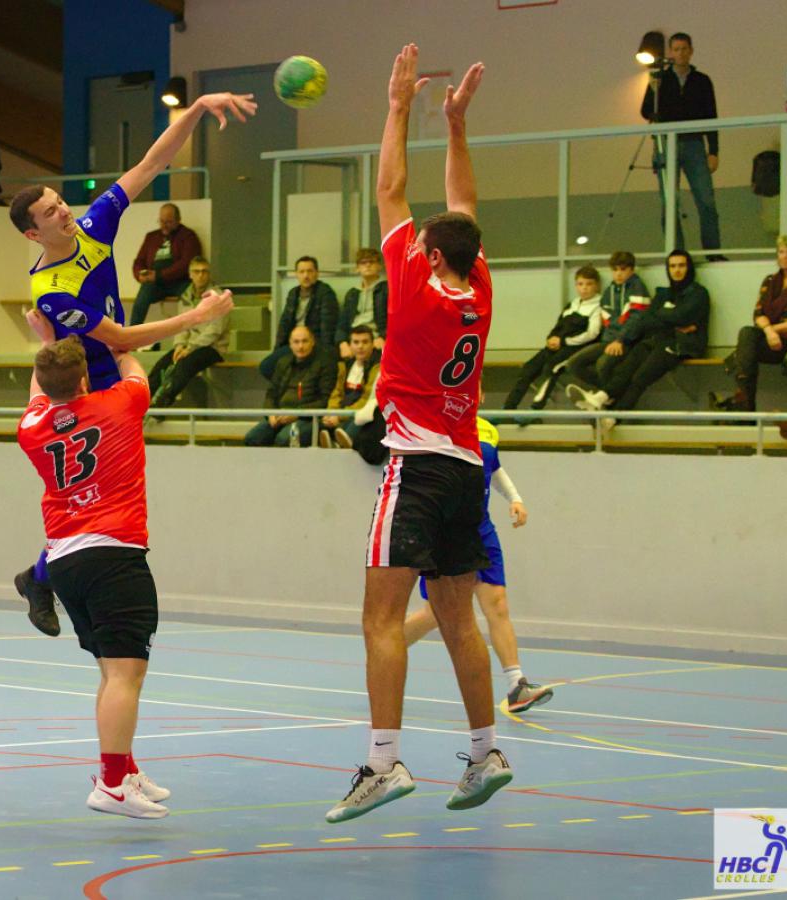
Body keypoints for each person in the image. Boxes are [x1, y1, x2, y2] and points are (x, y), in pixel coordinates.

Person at [326, 46, 510, 825]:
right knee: (459, 618)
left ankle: (382, 763)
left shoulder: (415, 286)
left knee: (379, 619)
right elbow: (461, 201)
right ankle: (485, 752)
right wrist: (457, 125)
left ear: (431, 256)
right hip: (466, 468)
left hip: (416, 467)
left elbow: (390, 189)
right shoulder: (479, 289)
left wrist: (399, 106)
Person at [6, 89, 250, 637]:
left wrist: (196, 109)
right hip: (88, 391)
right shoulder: (52, 290)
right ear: (33, 233)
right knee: (91, 501)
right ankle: (43, 577)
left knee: (98, 501)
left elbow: (151, 164)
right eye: (50, 212)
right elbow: (119, 338)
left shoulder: (94, 228)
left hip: (114, 375)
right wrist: (195, 317)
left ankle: (39, 576)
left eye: (60, 202)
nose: (64, 211)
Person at [16, 314, 171, 819]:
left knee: (110, 670)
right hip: (114, 555)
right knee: (126, 674)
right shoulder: (119, 404)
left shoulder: (32, 428)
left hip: (65, 561)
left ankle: (124, 769)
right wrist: (117, 341)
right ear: (85, 380)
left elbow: (39, 393)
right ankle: (111, 784)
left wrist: (48, 343)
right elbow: (135, 366)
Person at [404, 414, 555, 714]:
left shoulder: (487, 429)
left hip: (481, 529)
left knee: (497, 604)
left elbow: (494, 467)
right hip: (445, 530)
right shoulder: (437, 423)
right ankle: (386, 649)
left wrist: (515, 498)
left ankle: (517, 685)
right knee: (436, 613)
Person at [573, 249, 710, 427]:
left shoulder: (698, 293)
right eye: (672, 266)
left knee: (641, 376)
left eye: (681, 265)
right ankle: (601, 397)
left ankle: (613, 417)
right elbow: (647, 319)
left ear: (689, 267)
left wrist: (664, 316)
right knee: (627, 366)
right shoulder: (663, 293)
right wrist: (671, 319)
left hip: (681, 344)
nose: (677, 270)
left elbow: (679, 316)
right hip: (656, 340)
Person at [641, 32, 722, 257]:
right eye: (676, 49)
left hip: (694, 143)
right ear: (670, 52)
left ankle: (713, 251)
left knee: (706, 199)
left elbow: (711, 116)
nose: (680, 53)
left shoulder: (702, 80)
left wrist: (713, 151)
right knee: (669, 202)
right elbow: (646, 111)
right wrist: (653, 90)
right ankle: (676, 252)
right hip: (667, 143)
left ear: (691, 51)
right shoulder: (660, 78)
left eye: (684, 49)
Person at [710, 234, 787, 411]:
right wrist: (769, 332)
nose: (785, 256)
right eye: (781, 252)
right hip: (770, 340)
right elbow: (758, 314)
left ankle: (742, 404)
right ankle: (746, 402)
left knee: (745, 348)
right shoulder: (770, 281)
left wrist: (773, 330)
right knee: (747, 333)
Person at [501, 265, 603, 410]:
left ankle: (535, 409)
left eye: (589, 284)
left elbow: (592, 333)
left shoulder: (598, 306)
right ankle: (508, 408)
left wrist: (564, 341)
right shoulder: (573, 304)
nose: (584, 288)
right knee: (529, 369)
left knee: (552, 368)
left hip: (575, 347)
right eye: (580, 284)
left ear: (596, 286)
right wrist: (551, 338)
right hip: (556, 345)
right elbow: (559, 325)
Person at [563, 251, 651, 401]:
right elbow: (606, 318)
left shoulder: (638, 288)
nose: (618, 274)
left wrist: (620, 340)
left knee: (603, 365)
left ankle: (606, 398)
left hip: (630, 342)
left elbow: (638, 319)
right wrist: (611, 340)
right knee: (573, 364)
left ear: (632, 269)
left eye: (623, 269)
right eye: (615, 270)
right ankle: (608, 395)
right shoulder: (610, 290)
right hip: (608, 340)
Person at [146, 257, 229, 409]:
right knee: (162, 364)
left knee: (184, 365)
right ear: (190, 274)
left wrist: (190, 348)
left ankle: (161, 405)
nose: (200, 275)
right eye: (196, 272)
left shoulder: (219, 297)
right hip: (188, 347)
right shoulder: (185, 296)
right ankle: (143, 401)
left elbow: (215, 331)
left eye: (204, 271)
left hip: (212, 348)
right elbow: (182, 325)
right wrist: (179, 345)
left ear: (209, 274)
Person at [245, 325, 334, 447]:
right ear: (290, 344)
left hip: (308, 418)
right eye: (296, 342)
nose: (300, 346)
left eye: (305, 341)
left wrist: (296, 414)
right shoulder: (283, 362)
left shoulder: (325, 364)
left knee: (283, 439)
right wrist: (270, 414)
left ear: (313, 342)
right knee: (252, 438)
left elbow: (324, 400)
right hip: (280, 416)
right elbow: (271, 394)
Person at [260, 256, 339, 380]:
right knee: (266, 367)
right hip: (294, 344)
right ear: (296, 274)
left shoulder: (325, 293)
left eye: (309, 271)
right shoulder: (293, 294)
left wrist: (326, 356)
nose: (306, 275)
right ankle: (292, 387)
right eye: (302, 272)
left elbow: (328, 328)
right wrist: (277, 350)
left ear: (317, 273)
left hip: (314, 344)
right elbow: (284, 324)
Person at [129, 204, 204, 328]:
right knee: (142, 297)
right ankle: (133, 332)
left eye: (168, 222)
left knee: (190, 296)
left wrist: (159, 275)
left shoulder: (188, 236)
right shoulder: (151, 237)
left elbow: (187, 264)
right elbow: (139, 261)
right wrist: (140, 274)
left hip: (180, 281)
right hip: (155, 283)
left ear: (178, 220)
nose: (164, 225)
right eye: (161, 221)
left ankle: (192, 331)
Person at [319, 325, 381, 450]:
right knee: (321, 425)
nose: (360, 346)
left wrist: (340, 416)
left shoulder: (378, 367)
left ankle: (337, 445)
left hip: (360, 414)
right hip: (342, 412)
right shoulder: (345, 365)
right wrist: (331, 412)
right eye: (356, 342)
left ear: (372, 344)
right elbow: (337, 393)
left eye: (365, 342)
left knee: (355, 422)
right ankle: (335, 445)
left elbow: (366, 399)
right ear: (350, 345)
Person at [339, 248, 389, 353]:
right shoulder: (352, 294)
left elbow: (395, 321)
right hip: (354, 338)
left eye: (372, 262)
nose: (368, 265)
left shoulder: (387, 290)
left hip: (375, 338)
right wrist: (342, 342)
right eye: (363, 263)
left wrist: (383, 337)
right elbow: (342, 323)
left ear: (379, 266)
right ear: (357, 268)